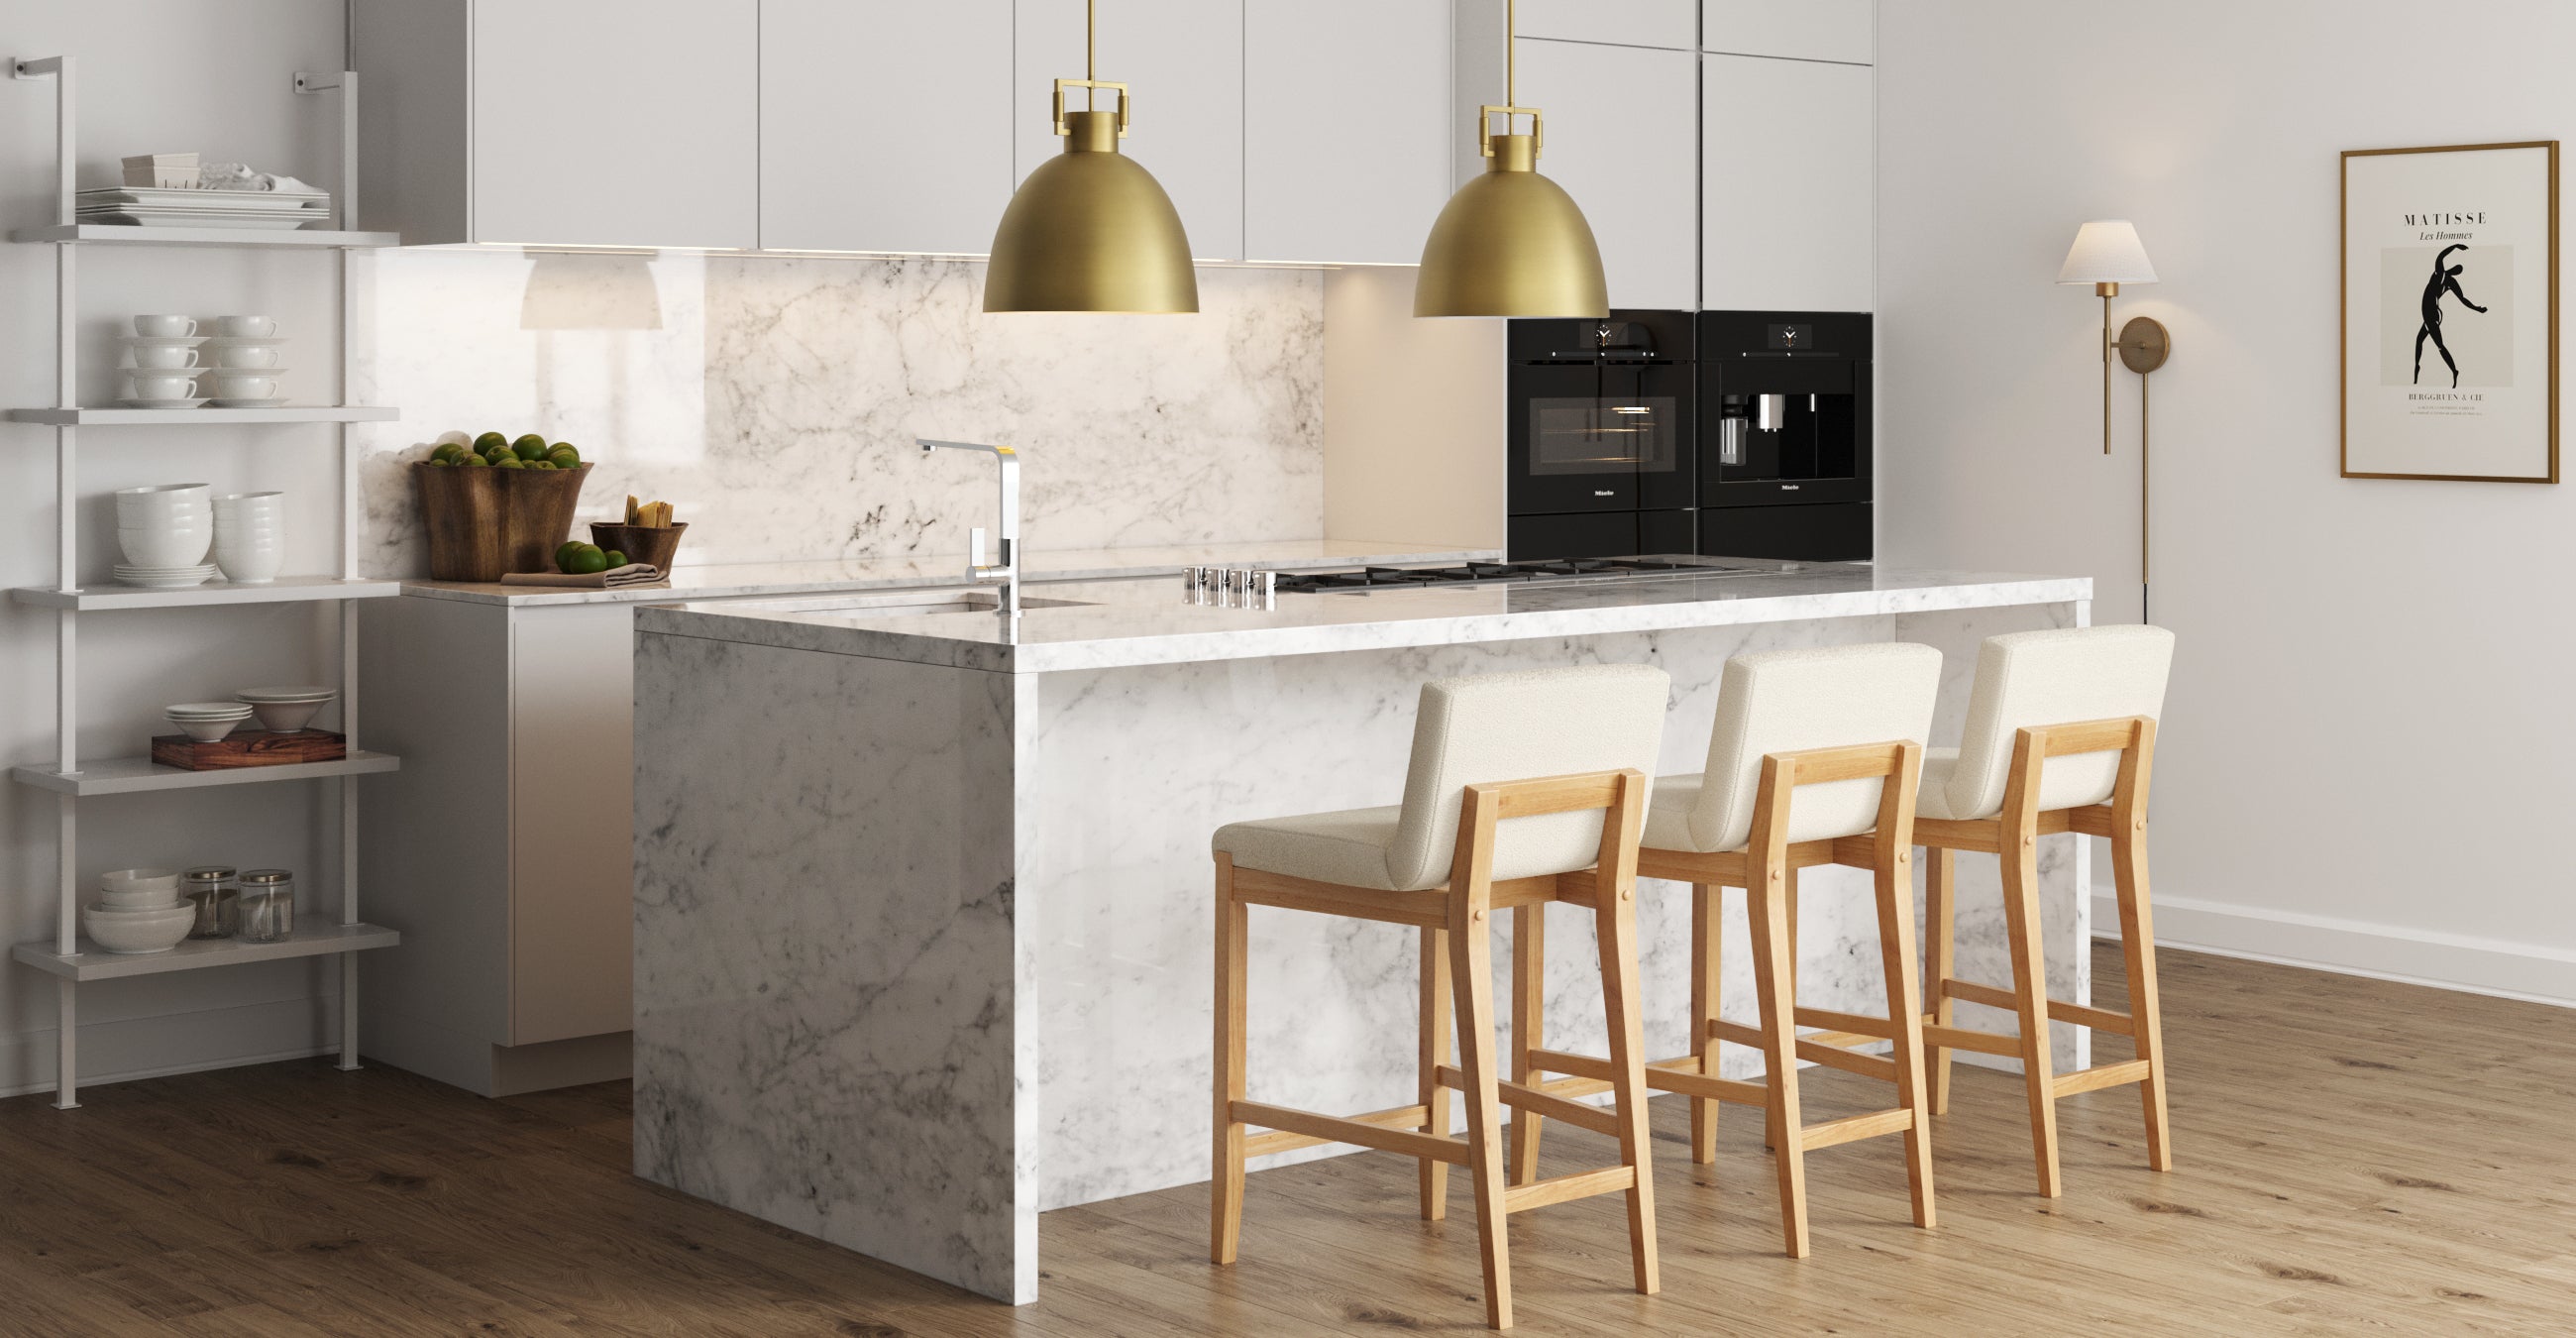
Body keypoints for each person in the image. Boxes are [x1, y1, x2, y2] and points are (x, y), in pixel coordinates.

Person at [2413, 243, 2489, 389]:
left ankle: (2454, 370)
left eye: (2458, 271)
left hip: (2432, 313)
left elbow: (2463, 299)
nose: (2456, 271)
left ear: (2455, 273)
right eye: (2457, 268)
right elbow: (2440, 256)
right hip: (2430, 313)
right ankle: (2417, 368)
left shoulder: (2449, 281)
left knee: (2439, 346)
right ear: (2452, 268)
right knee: (2419, 340)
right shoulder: (2440, 273)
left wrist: (2477, 309)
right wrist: (2455, 245)